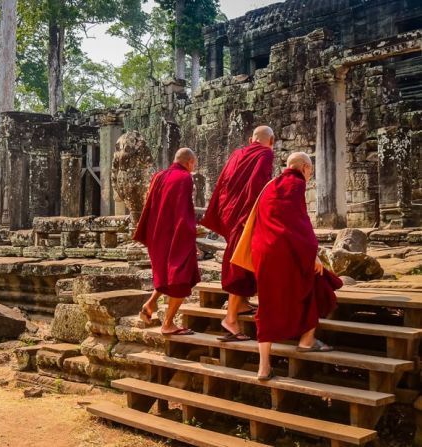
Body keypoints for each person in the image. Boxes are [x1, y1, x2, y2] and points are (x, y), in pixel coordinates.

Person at [248, 152, 341, 380]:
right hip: (286, 251)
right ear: (305, 168)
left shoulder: (270, 185)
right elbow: (299, 222)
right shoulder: (296, 184)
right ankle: (307, 340)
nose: (310, 175)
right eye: (310, 171)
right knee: (317, 284)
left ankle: (263, 366)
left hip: (263, 251)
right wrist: (313, 254)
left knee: (268, 304)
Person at [200, 126, 275, 342]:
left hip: (230, 211)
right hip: (246, 213)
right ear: (271, 140)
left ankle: (241, 304)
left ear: (251, 139)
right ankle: (230, 318)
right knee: (240, 261)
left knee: (242, 257)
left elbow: (223, 181)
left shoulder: (237, 154)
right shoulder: (266, 153)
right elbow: (258, 184)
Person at [133, 148, 201, 335]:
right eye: (193, 164)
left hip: (156, 235)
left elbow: (150, 207)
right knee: (181, 281)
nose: (192, 168)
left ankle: (150, 303)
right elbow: (183, 212)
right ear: (189, 162)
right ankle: (168, 324)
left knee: (167, 275)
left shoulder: (159, 176)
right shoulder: (184, 178)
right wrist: (189, 240)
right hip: (175, 236)